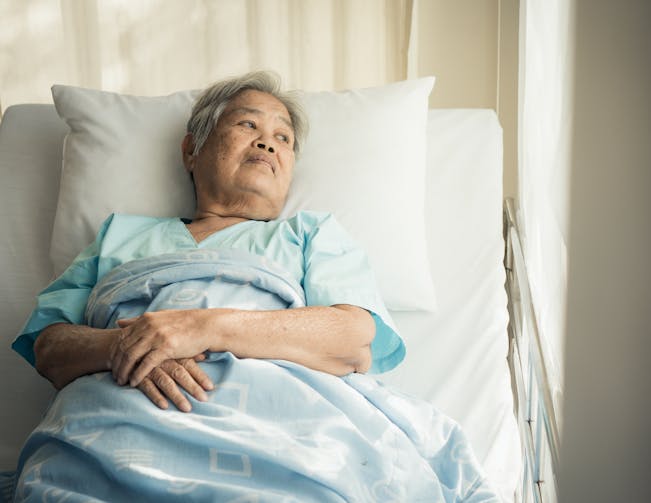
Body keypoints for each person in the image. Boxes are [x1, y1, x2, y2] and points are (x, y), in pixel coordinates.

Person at [12, 70, 404, 413]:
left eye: (282, 137)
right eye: (248, 125)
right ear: (191, 151)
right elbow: (50, 347)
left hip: (274, 422)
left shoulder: (310, 234)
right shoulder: (121, 234)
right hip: (119, 414)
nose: (268, 143)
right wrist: (135, 347)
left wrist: (205, 326)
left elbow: (353, 338)